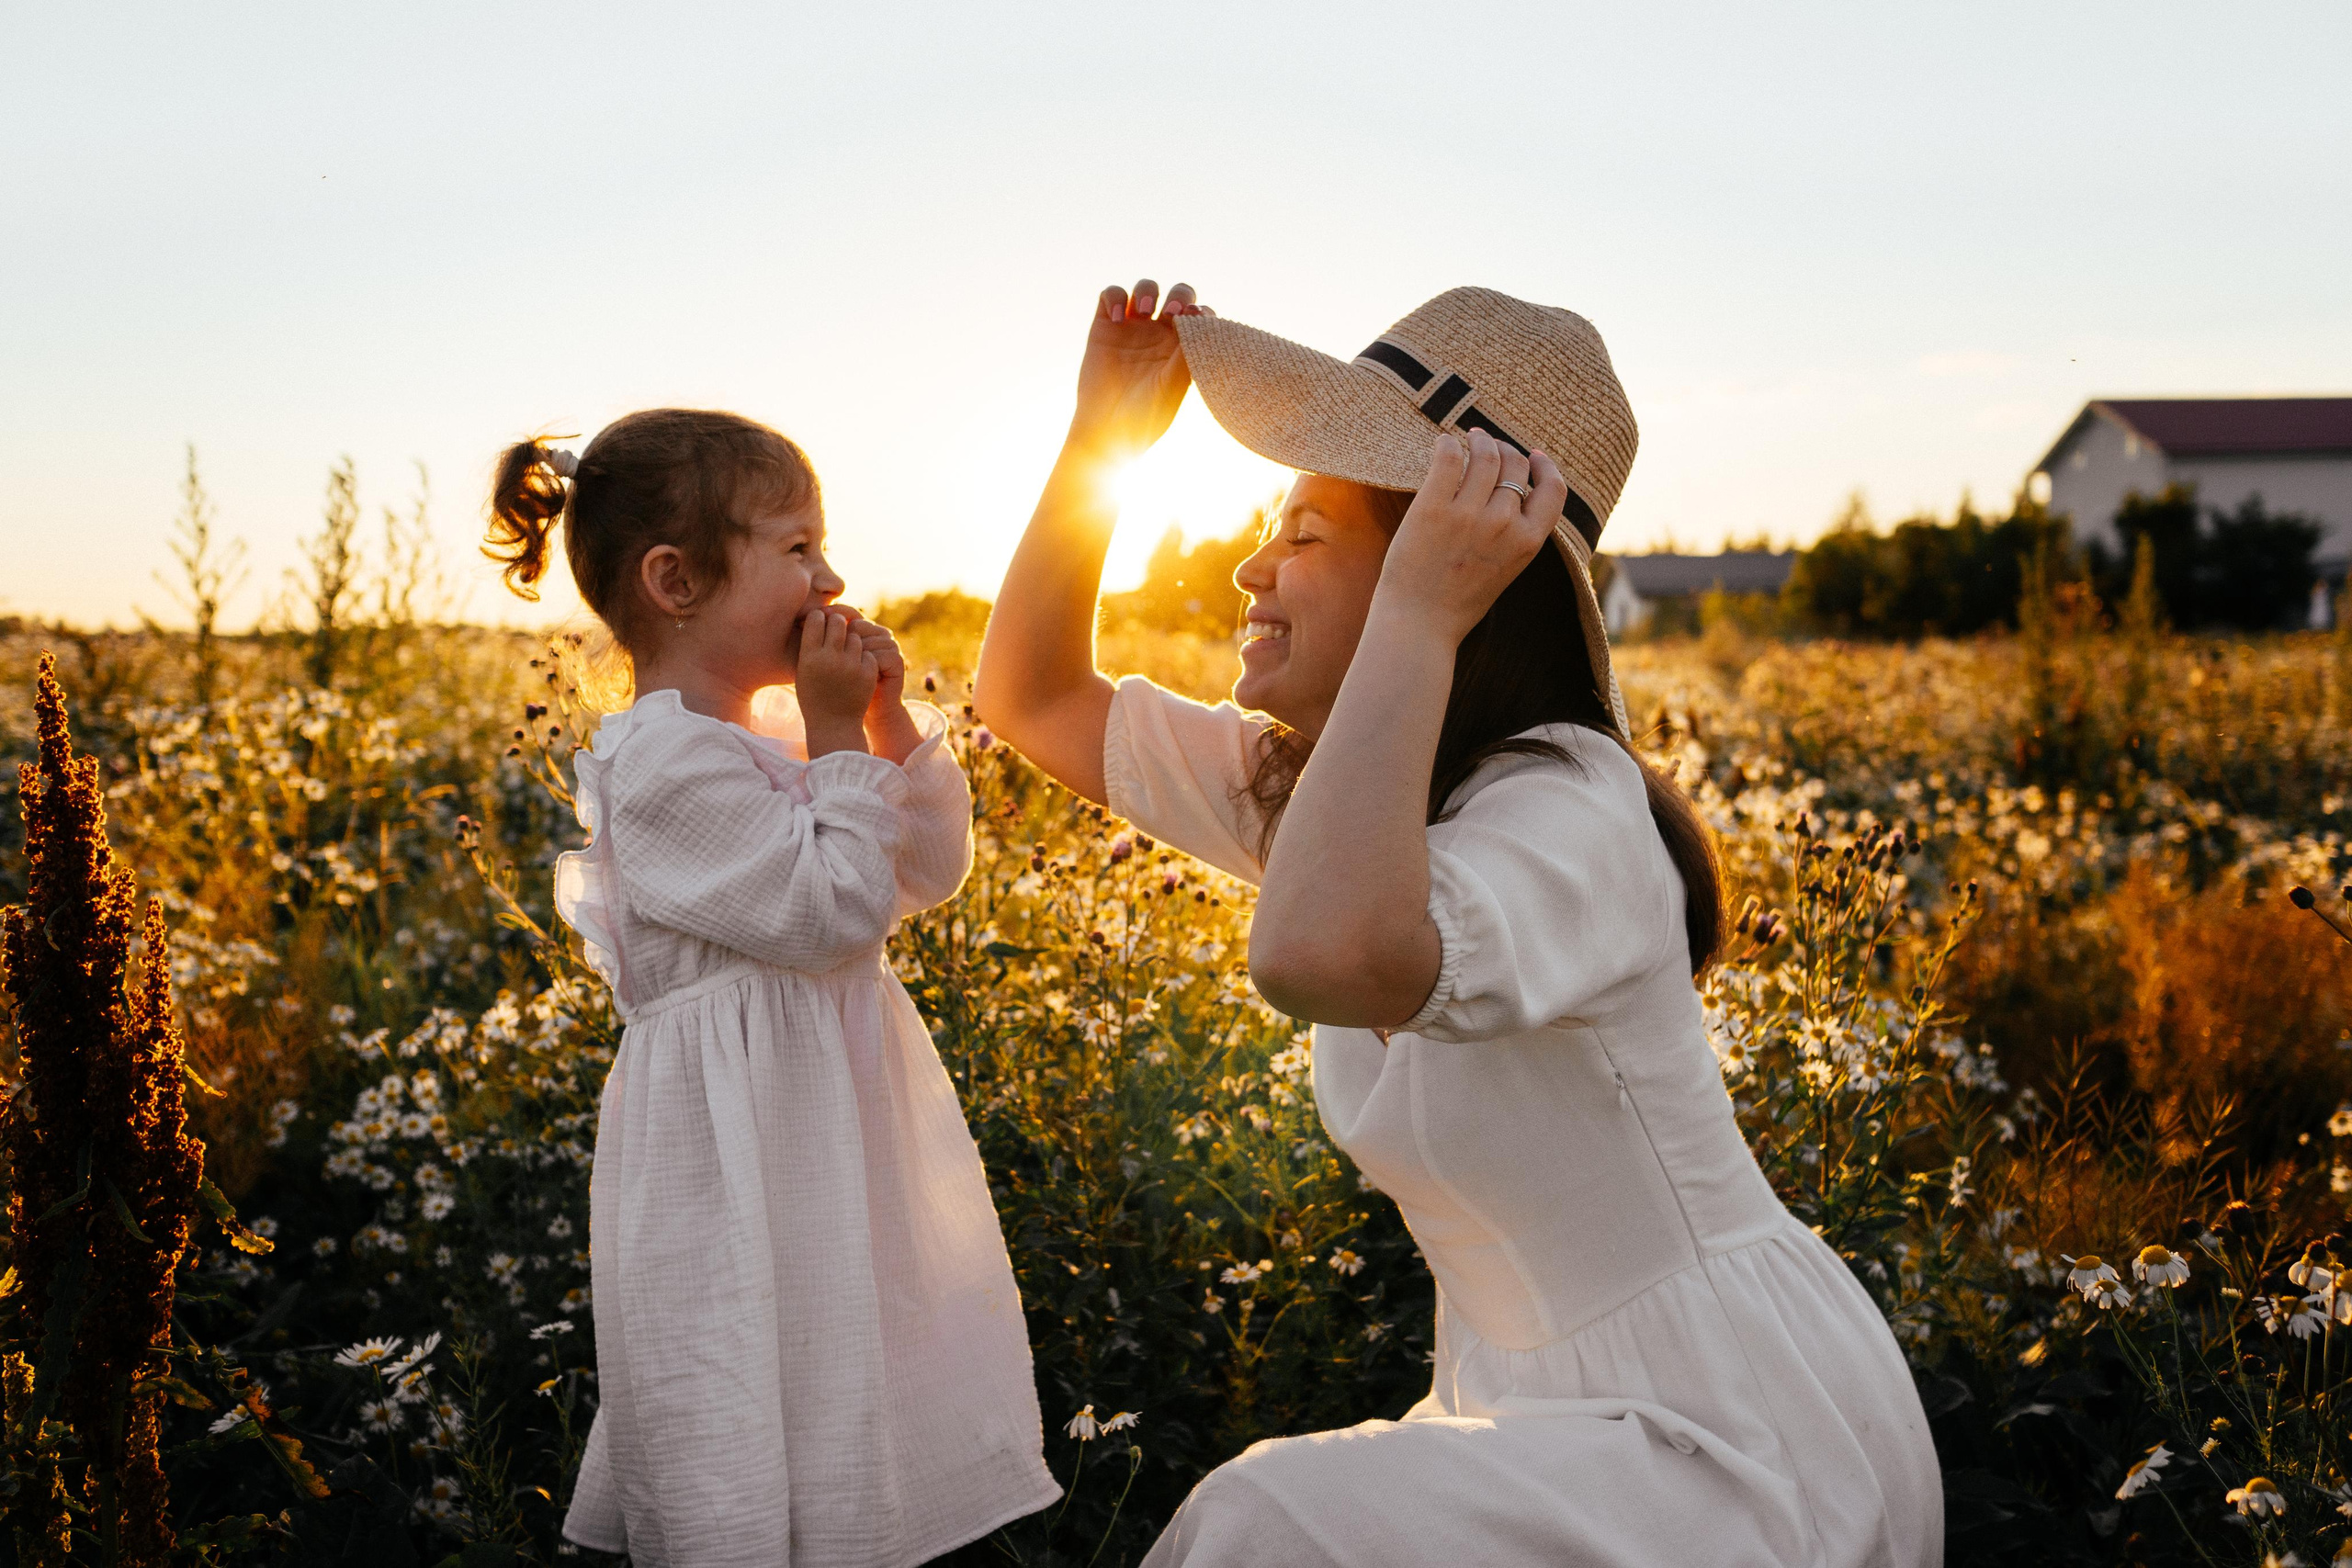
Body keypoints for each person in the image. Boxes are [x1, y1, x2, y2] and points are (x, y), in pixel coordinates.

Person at [976, 284, 1941, 1565]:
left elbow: (1318, 954)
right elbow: (1031, 693)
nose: (1252, 566)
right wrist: (1101, 438)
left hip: (1727, 1432)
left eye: (1306, 532)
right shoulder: (1341, 795)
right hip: (1540, 1415)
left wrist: (1423, 609)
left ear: (1461, 550)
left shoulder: (1568, 807)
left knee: (1263, 1522)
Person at [483, 409, 1057, 1568]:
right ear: (676, 580)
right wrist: (843, 735)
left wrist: (884, 725)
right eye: (797, 549)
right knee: (744, 1376)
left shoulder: (792, 737)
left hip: (830, 1130)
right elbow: (824, 914)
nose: (832, 577)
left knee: (854, 1367)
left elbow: (922, 875)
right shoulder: (657, 766)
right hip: (733, 1153)